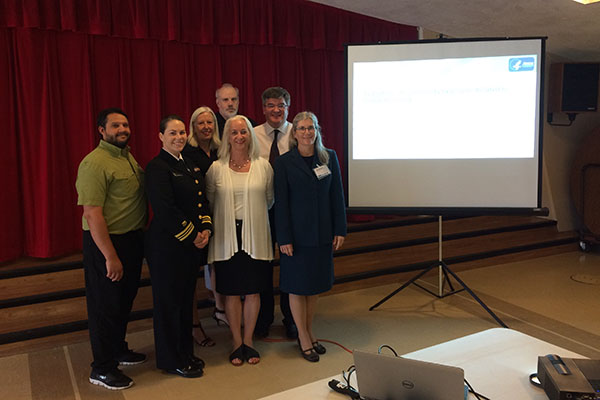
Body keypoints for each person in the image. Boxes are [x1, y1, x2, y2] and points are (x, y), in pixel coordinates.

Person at [76, 108, 147, 390]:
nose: (123, 129)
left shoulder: (126, 155)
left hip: (131, 240)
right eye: (116, 125)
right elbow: (92, 213)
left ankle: (118, 350)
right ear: (101, 130)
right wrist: (110, 256)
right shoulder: (94, 163)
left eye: (126, 124)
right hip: (107, 243)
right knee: (105, 306)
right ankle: (102, 368)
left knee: (122, 301)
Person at [274, 111, 347, 362]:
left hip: (322, 234)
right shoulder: (284, 163)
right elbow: (280, 204)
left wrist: (340, 229)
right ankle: (303, 337)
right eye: (302, 128)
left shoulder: (329, 157)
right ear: (294, 133)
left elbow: (337, 196)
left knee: (314, 286)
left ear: (317, 131)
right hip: (295, 237)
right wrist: (283, 238)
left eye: (311, 128)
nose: (307, 132)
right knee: (297, 287)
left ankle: (309, 331)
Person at [145, 115, 213, 378]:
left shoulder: (188, 164)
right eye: (172, 133)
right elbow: (165, 210)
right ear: (161, 137)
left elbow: (201, 200)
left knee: (185, 302)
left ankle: (186, 353)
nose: (179, 137)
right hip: (167, 248)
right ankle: (171, 359)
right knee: (169, 304)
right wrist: (193, 234)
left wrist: (206, 228)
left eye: (182, 132)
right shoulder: (157, 167)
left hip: (188, 247)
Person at [206, 115, 274, 366]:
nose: (239, 137)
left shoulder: (263, 166)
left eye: (243, 132)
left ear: (250, 135)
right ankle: (236, 343)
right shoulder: (216, 168)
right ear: (227, 137)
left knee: (253, 291)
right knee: (232, 293)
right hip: (226, 236)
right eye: (233, 133)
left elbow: (269, 199)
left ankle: (249, 341)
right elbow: (211, 203)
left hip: (255, 234)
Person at [253, 86, 297, 339]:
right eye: (271, 105)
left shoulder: (298, 132)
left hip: (292, 209)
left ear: (287, 108)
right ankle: (264, 317)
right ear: (263, 108)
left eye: (280, 105)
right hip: (262, 208)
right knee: (263, 264)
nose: (276, 110)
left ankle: (291, 318)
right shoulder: (254, 134)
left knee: (291, 264)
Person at [182, 106, 228, 341]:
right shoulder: (186, 152)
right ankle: (194, 324)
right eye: (201, 123)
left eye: (210, 123)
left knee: (218, 264)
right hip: (194, 222)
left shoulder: (221, 150)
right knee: (192, 274)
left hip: (219, 216)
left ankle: (220, 309)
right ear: (193, 127)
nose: (206, 127)